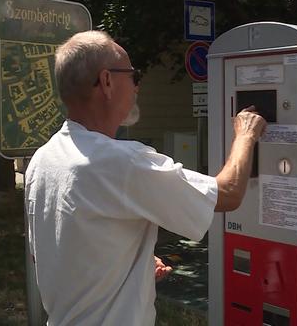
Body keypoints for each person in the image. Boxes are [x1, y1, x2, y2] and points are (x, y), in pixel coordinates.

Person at [25, 30, 265, 325]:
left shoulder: (43, 159)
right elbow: (228, 192)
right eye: (134, 75)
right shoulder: (123, 163)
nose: (137, 86)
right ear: (107, 81)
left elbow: (51, 253)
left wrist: (125, 265)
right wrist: (247, 134)